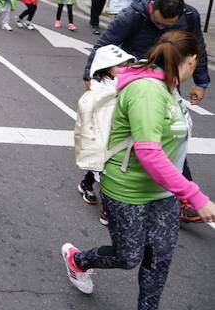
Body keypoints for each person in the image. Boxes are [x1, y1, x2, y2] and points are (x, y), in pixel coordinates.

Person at [61, 31, 215, 306]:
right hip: (127, 191)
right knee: (128, 256)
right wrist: (195, 195)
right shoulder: (146, 90)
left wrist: (179, 189)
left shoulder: (168, 85)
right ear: (191, 60)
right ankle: (78, 260)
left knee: (158, 261)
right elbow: (149, 154)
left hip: (164, 193)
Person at [84, 0, 211, 223]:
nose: (162, 30)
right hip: (135, 84)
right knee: (128, 141)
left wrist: (201, 82)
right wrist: (90, 76)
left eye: (168, 26)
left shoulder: (189, 16)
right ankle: (97, 185)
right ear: (151, 9)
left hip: (168, 80)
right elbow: (104, 44)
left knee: (169, 136)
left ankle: (180, 198)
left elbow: (197, 47)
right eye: (158, 23)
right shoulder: (132, 15)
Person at [75, 44, 136, 226]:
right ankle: (107, 209)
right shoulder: (97, 87)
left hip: (120, 132)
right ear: (105, 67)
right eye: (119, 65)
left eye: (126, 64)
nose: (124, 68)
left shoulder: (128, 82)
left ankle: (86, 184)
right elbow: (90, 109)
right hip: (103, 132)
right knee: (103, 168)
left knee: (104, 166)